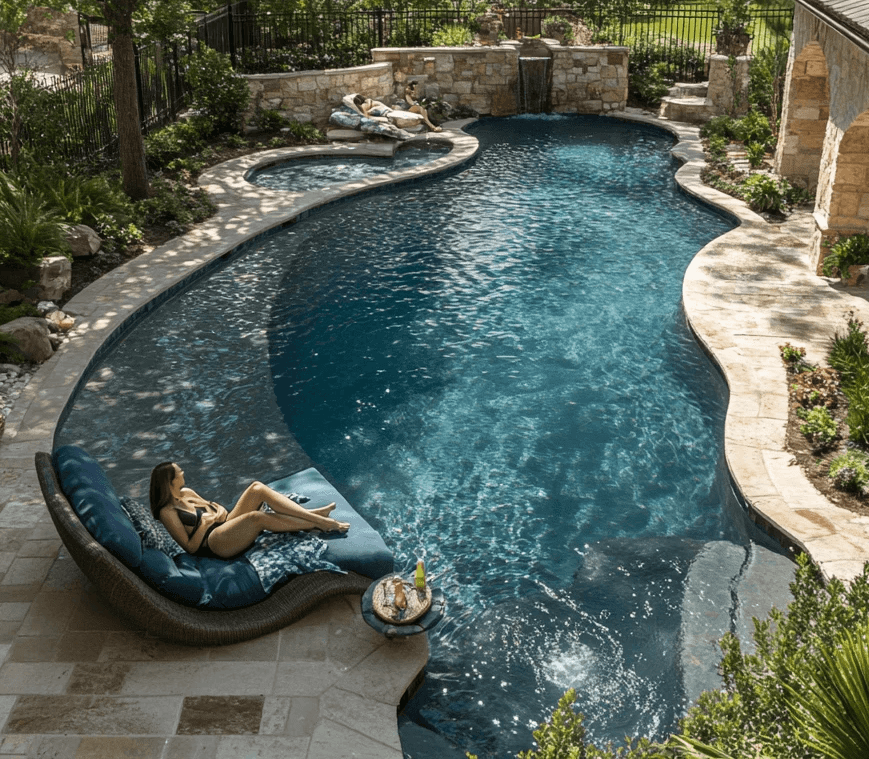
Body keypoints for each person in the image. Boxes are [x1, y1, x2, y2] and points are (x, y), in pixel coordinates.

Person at [150, 462, 349, 559]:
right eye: (179, 472)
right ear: (170, 482)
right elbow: (190, 548)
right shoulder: (167, 511)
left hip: (225, 524)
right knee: (256, 518)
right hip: (213, 544)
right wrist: (205, 525)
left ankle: (312, 515)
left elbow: (215, 510)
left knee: (257, 488)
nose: (183, 472)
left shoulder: (187, 492)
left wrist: (216, 514)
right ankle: (319, 522)